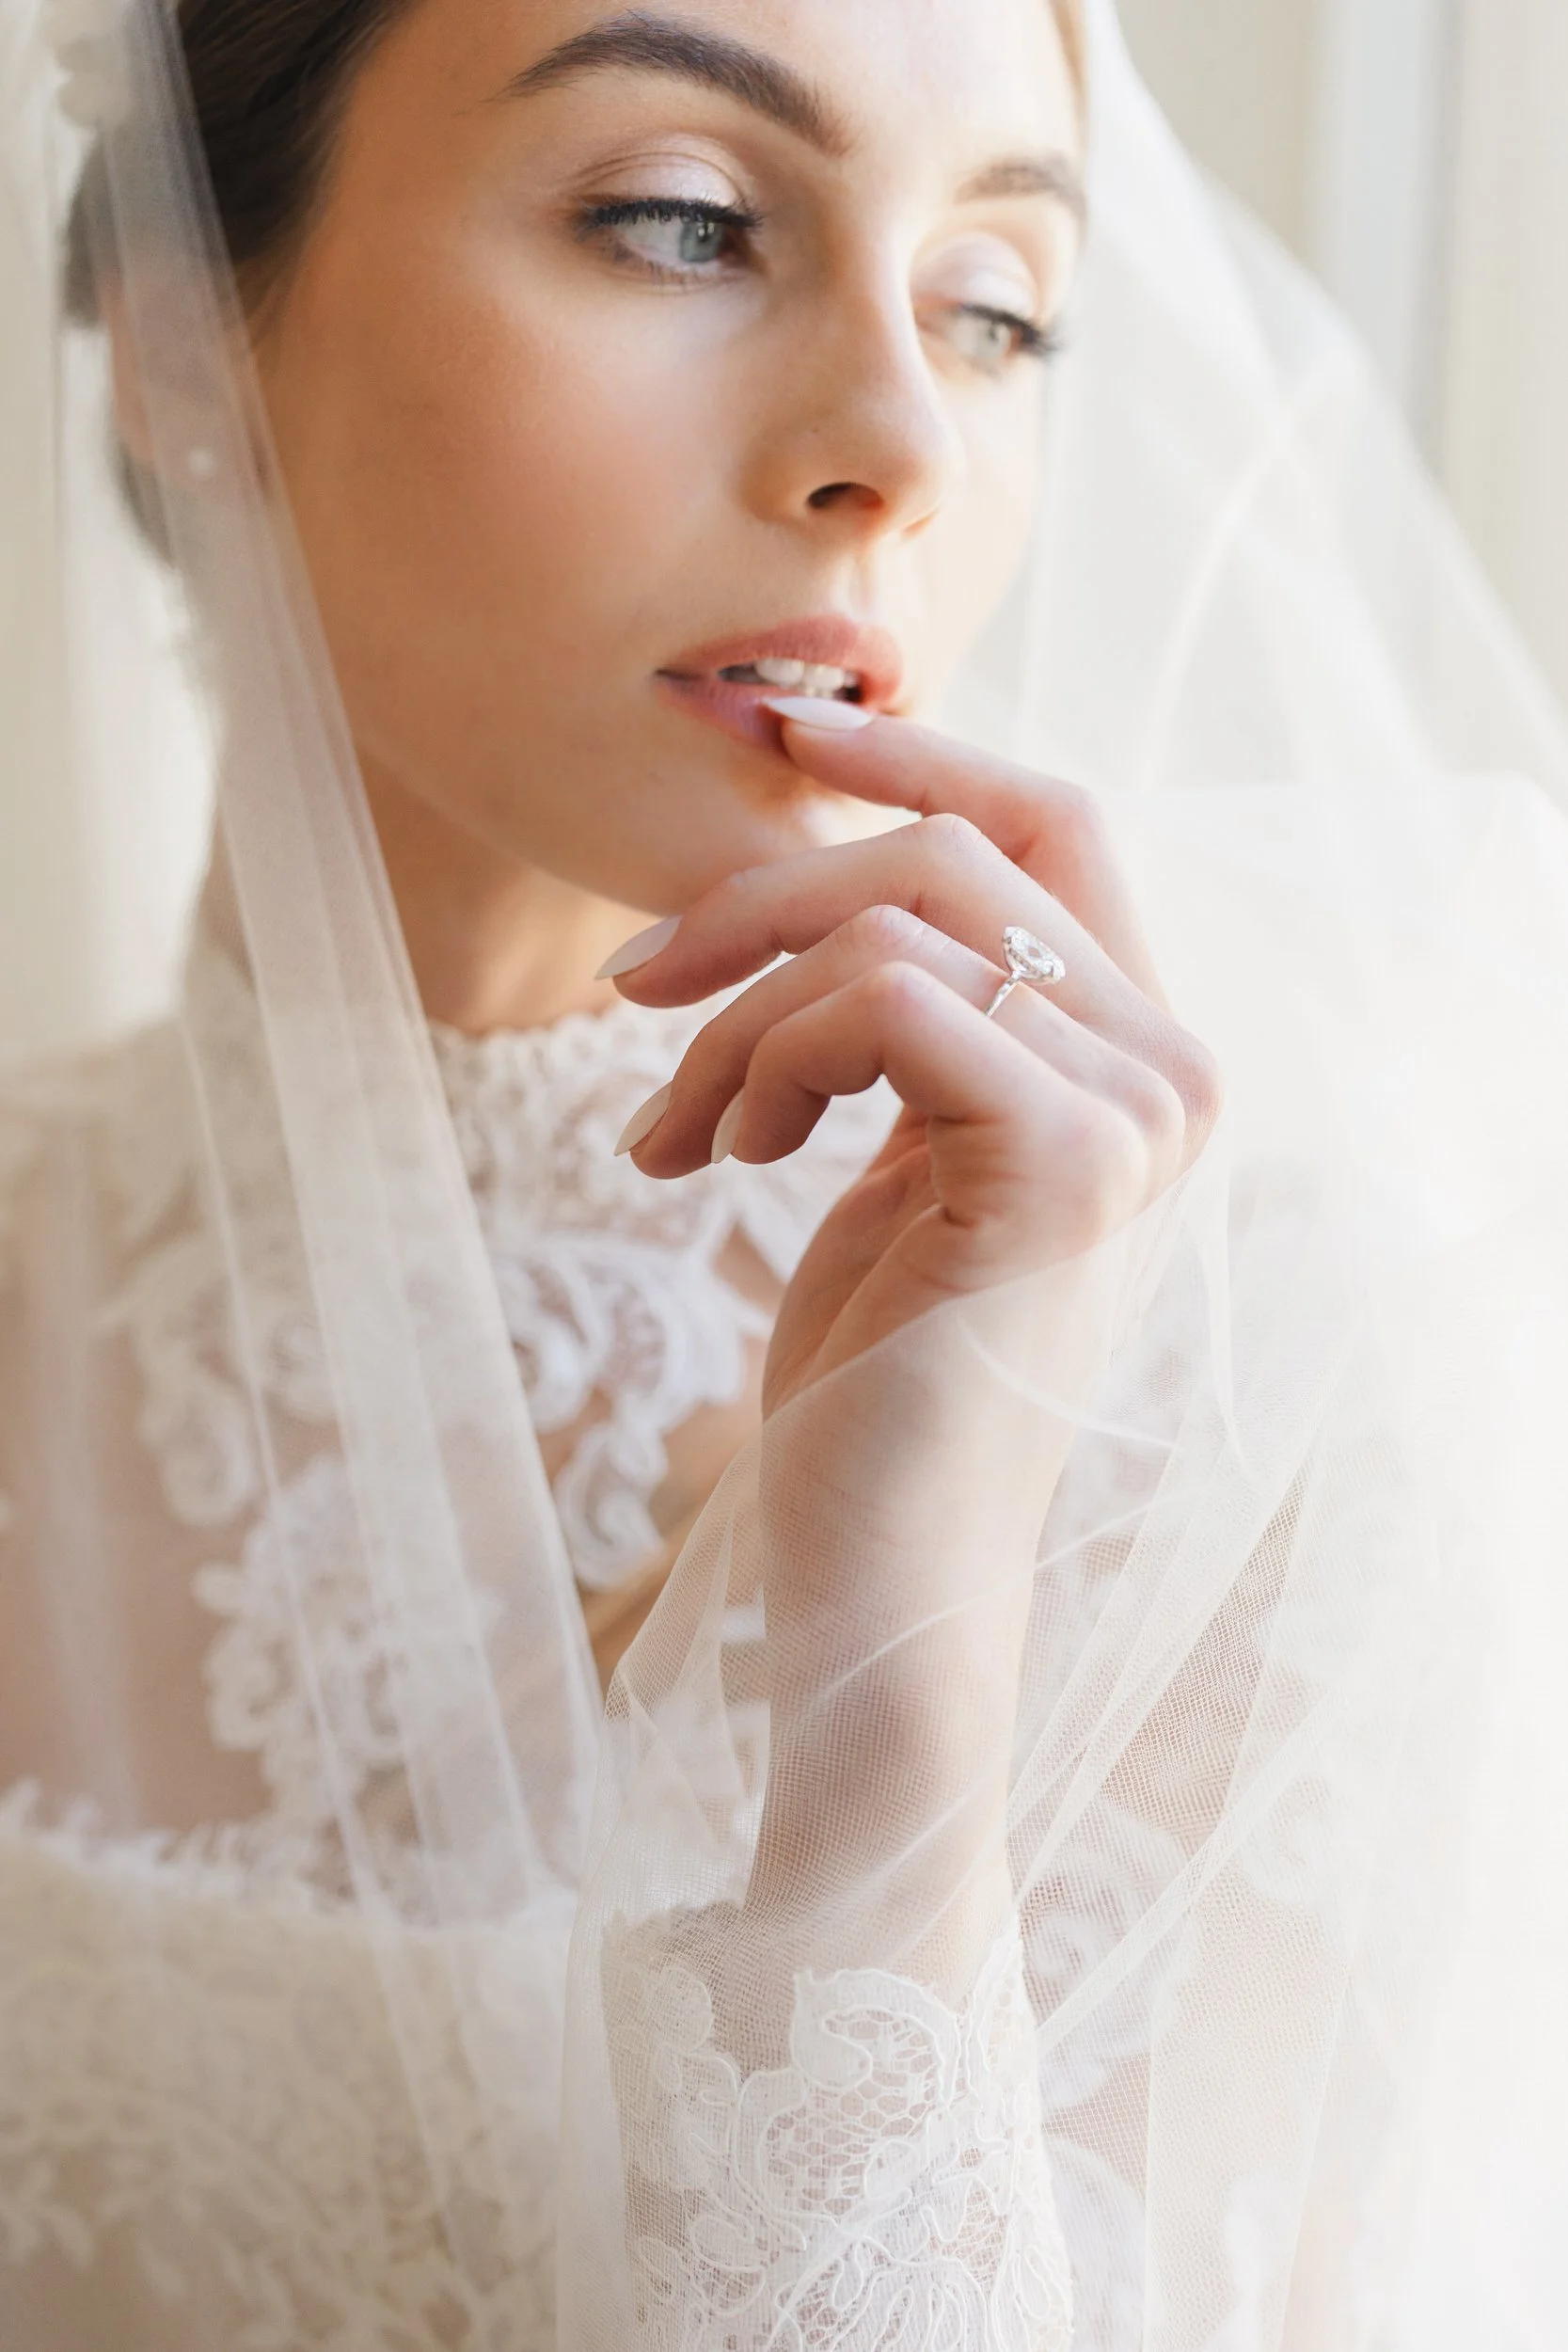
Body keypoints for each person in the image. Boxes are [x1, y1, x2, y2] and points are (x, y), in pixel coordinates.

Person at [2, 0, 1567, 2345]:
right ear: (175, 345)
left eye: (997, 307)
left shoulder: (1270, 1411)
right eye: (683, 221)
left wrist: (888, 1685)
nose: (899, 440)